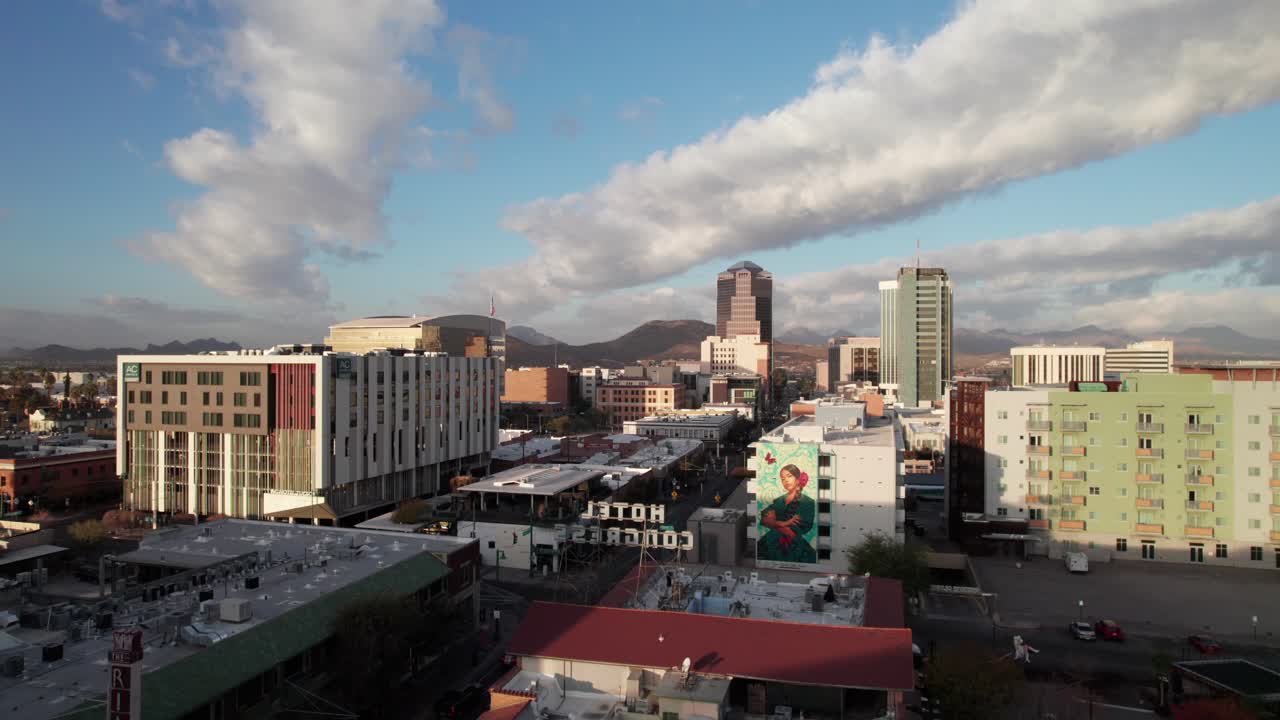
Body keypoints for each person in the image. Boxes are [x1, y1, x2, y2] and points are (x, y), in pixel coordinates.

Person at [756, 463, 816, 563]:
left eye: (789, 476)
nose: (786, 480)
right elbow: (763, 519)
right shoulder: (779, 500)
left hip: (793, 545)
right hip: (771, 540)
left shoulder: (807, 502)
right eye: (782, 479)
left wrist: (773, 523)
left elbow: (793, 531)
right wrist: (783, 524)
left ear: (798, 479)